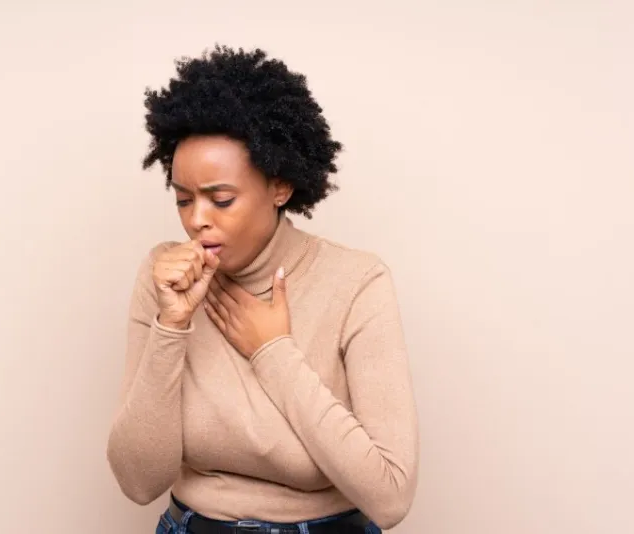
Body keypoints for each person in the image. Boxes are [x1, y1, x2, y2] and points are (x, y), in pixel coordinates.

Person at [107, 45, 419, 534]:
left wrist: (273, 350)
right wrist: (172, 325)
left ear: (280, 187)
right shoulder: (166, 278)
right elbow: (139, 481)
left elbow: (391, 497)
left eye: (221, 199)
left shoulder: (357, 283)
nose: (196, 220)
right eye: (183, 199)